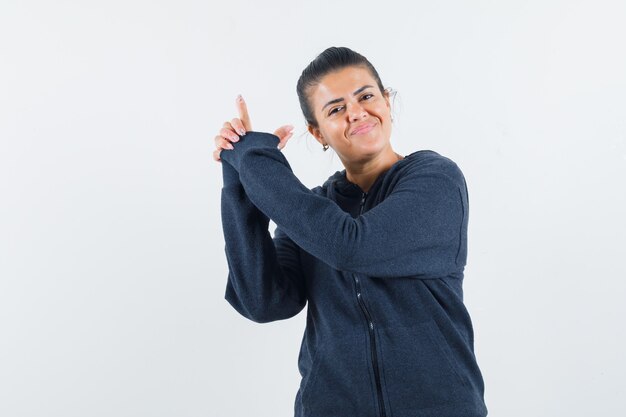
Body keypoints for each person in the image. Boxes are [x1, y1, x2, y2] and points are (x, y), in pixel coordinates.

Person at [213, 46, 488, 417]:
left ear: (387, 103)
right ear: (318, 132)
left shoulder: (435, 180)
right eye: (336, 109)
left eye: (366, 96)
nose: (357, 112)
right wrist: (238, 179)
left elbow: (351, 245)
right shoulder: (311, 211)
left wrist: (255, 161)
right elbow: (264, 302)